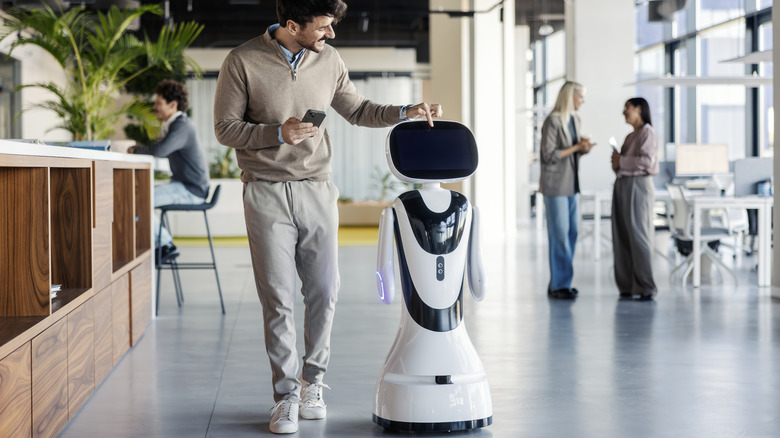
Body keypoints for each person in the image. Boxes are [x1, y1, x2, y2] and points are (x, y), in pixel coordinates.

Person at [212, 0, 442, 434]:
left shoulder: (329, 59)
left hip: (318, 189)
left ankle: (312, 382)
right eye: (322, 28)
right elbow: (225, 127)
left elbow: (358, 110)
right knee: (278, 297)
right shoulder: (242, 61)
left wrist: (404, 113)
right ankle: (285, 397)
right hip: (264, 190)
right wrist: (277, 133)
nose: (331, 35)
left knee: (324, 290)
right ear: (292, 24)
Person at [129, 80, 210, 263]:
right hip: (184, 185)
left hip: (191, 190)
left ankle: (166, 245)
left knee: (138, 200)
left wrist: (135, 150)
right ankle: (158, 244)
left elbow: (160, 150)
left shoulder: (182, 125)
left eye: (158, 103)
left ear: (173, 105)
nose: (154, 106)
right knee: (137, 197)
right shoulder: (177, 124)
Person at [538, 81, 593, 300]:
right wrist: (576, 147)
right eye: (580, 97)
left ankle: (562, 282)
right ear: (570, 97)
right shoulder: (552, 122)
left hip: (572, 184)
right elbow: (548, 155)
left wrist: (582, 150)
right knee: (560, 234)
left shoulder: (575, 120)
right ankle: (559, 285)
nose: (582, 101)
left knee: (572, 232)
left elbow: (570, 153)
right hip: (555, 186)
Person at [610, 97, 658, 301]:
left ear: (639, 109)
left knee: (638, 235)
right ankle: (628, 285)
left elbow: (647, 163)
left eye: (627, 108)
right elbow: (622, 164)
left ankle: (646, 285)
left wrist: (621, 160)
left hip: (638, 185)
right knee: (622, 235)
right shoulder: (631, 136)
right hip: (623, 184)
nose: (624, 112)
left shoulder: (648, 132)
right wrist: (617, 161)